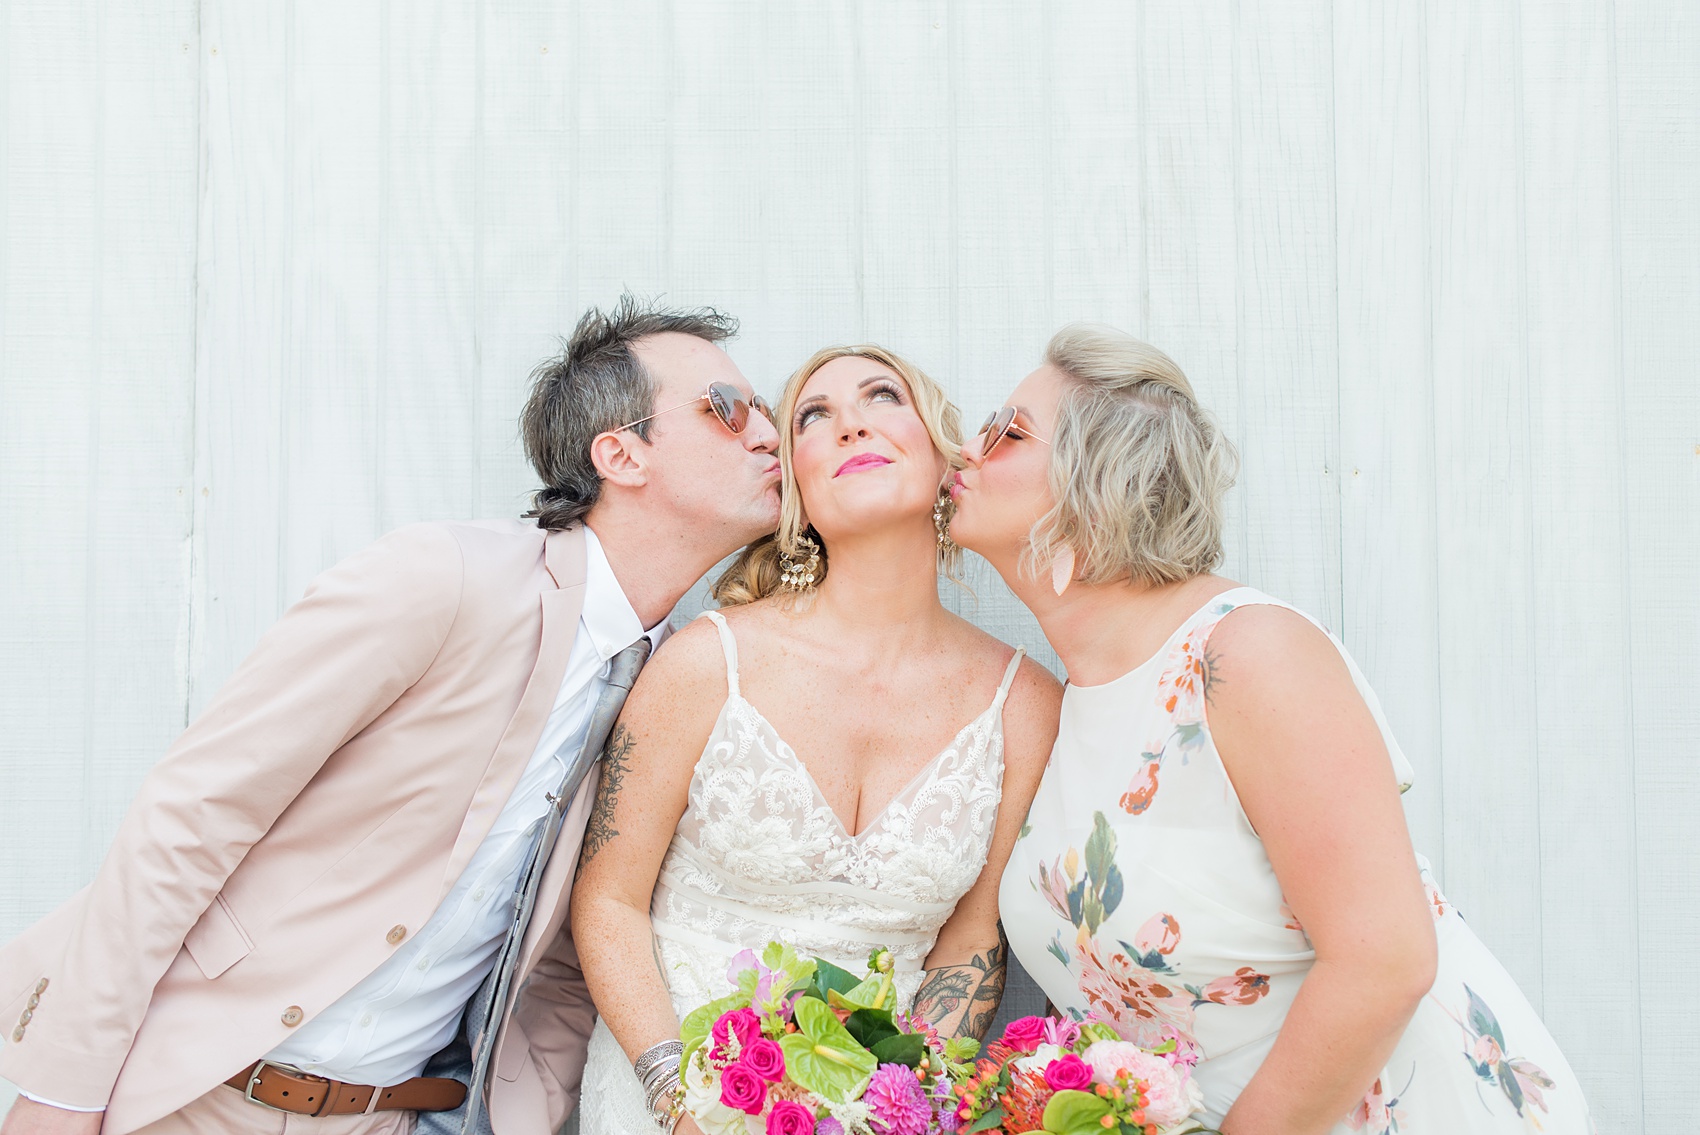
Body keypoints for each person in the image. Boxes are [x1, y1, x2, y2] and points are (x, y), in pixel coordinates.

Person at [0, 297, 782, 1135]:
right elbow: (192, 816)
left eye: (764, 410)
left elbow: (560, 961)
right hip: (192, 1097)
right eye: (726, 409)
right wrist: (63, 1095)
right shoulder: (442, 579)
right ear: (621, 454)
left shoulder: (672, 684)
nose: (767, 433)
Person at [949, 324, 1592, 1134]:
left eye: (1007, 433)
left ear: (1096, 479)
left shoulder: (1248, 652)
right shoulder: (1061, 704)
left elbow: (1384, 959)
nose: (964, 454)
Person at [569, 344, 1062, 1134]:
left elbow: (971, 940)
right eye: (815, 415)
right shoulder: (707, 660)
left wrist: (904, 1109)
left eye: (881, 396)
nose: (851, 424)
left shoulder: (1025, 702)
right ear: (792, 482)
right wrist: (675, 1102)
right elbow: (608, 898)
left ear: (943, 457)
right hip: (663, 1092)